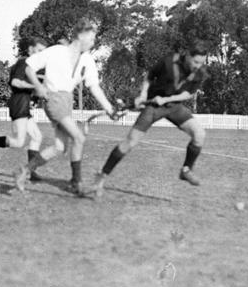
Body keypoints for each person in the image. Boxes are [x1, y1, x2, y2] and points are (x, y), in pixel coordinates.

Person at [91, 41, 210, 196]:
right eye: (195, 62)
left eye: (201, 63)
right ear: (187, 55)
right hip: (153, 107)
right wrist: (143, 95)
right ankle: (101, 177)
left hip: (174, 106)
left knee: (199, 134)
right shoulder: (169, 61)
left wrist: (166, 99)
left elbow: (188, 94)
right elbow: (149, 76)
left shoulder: (199, 72)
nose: (198, 66)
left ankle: (186, 170)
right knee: (130, 142)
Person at [14, 18, 117, 194]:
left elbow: (94, 86)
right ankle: (76, 182)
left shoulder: (87, 60)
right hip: (53, 99)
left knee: (59, 147)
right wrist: (38, 87)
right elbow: (29, 67)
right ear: (81, 35)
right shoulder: (56, 51)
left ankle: (24, 171)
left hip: (67, 100)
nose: (93, 43)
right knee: (79, 138)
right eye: (91, 38)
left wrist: (109, 107)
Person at [0, 37, 48, 180]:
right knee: (18, 142)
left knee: (37, 136)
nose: (41, 54)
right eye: (39, 50)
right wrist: (36, 86)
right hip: (19, 102)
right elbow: (15, 82)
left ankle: (30, 171)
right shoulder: (24, 62)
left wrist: (38, 94)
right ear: (30, 49)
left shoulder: (33, 67)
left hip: (24, 103)